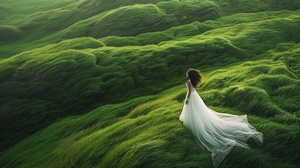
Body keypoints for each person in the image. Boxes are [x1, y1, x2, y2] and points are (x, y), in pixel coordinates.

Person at [179, 68, 263, 168]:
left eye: (187, 73)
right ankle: (196, 121)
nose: (186, 74)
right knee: (199, 113)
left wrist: (187, 101)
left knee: (193, 112)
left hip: (191, 99)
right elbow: (192, 91)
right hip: (196, 98)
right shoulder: (193, 81)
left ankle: (194, 123)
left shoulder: (188, 82)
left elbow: (189, 93)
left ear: (189, 75)